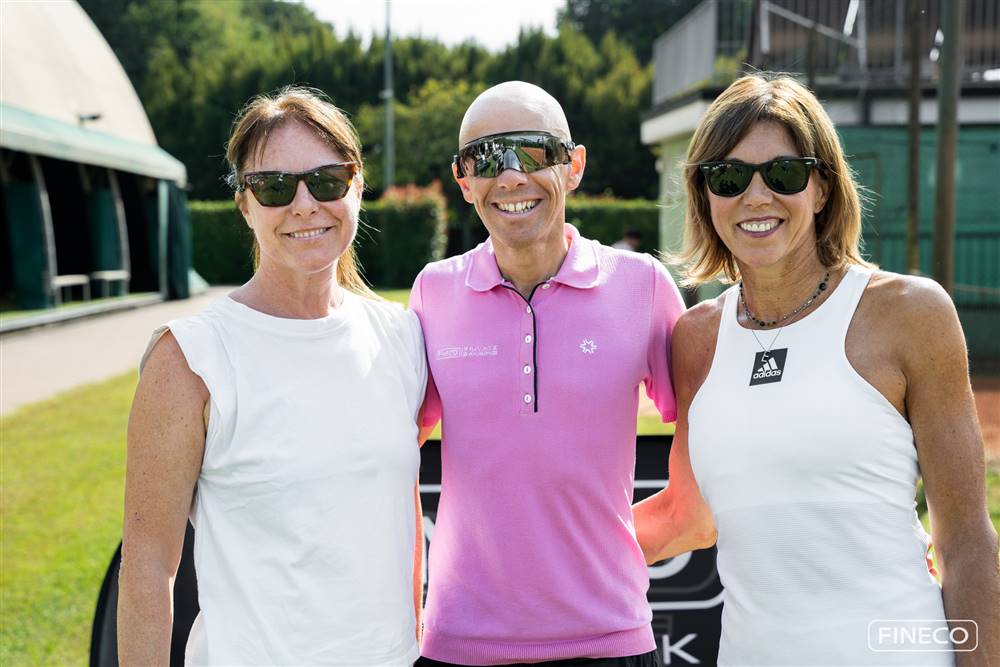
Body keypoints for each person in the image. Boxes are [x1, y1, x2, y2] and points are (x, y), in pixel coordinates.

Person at [634, 73, 999, 665]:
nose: (756, 196)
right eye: (728, 177)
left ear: (823, 187)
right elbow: (686, 516)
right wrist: (528, 561)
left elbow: (966, 540)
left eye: (783, 173)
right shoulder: (695, 338)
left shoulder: (911, 314)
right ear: (705, 195)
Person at [117, 87, 427, 665]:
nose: (304, 205)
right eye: (275, 187)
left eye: (327, 181)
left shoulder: (401, 336)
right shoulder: (190, 357)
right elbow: (148, 566)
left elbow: (402, 513)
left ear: (358, 187)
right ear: (245, 204)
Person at [409, 81, 701, 667]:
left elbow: (706, 474)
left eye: (533, 151)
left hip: (612, 641)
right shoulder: (432, 293)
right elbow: (388, 461)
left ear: (574, 165)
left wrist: (601, 556)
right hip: (457, 645)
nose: (511, 176)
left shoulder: (643, 287)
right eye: (486, 158)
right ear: (464, 181)